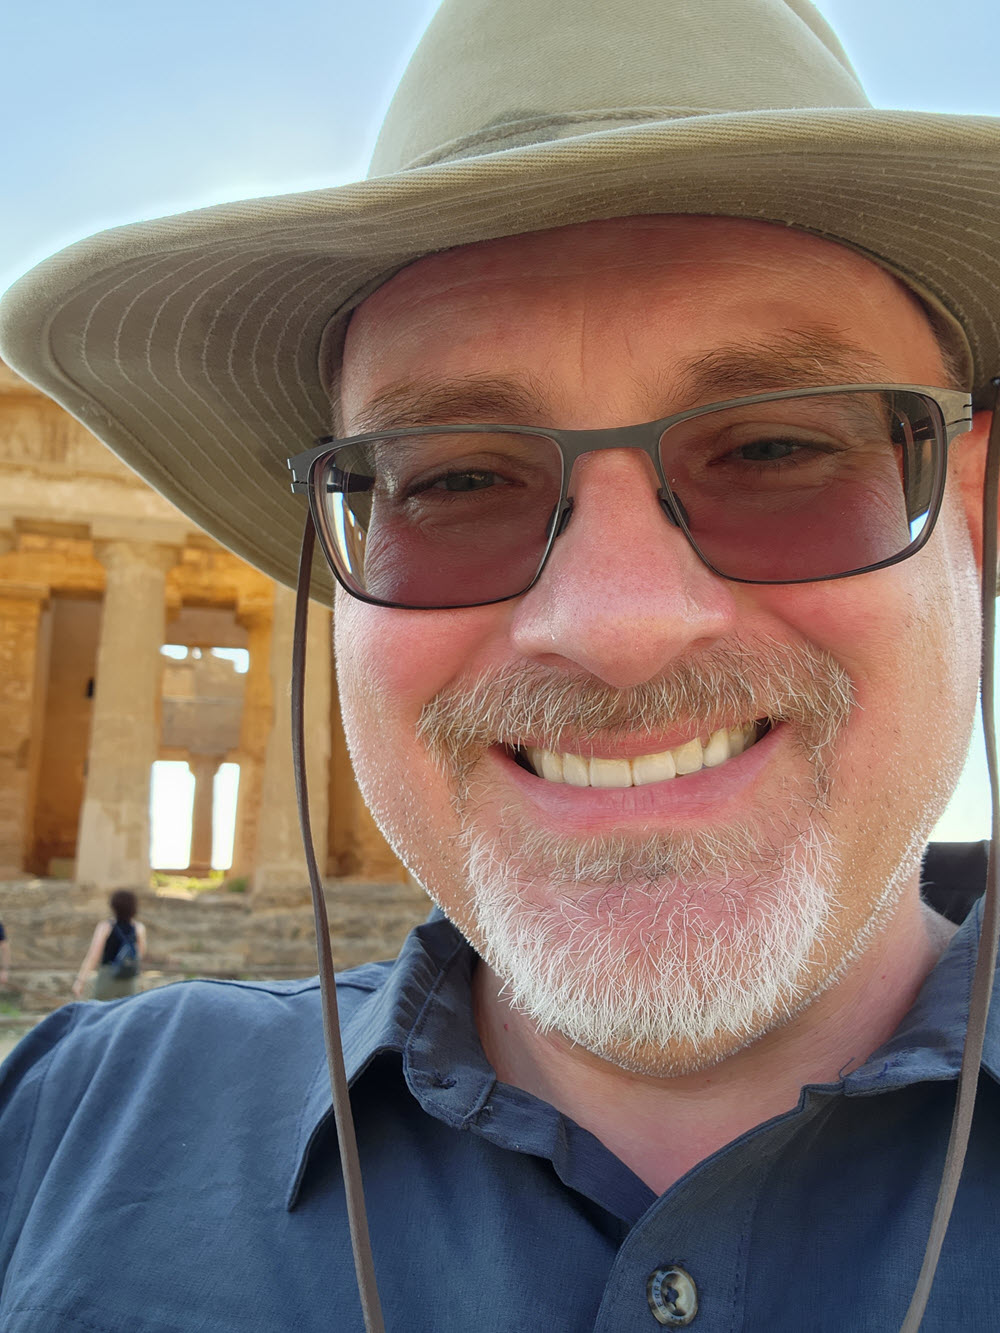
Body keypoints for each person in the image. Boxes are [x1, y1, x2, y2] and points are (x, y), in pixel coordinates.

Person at [1, 0, 999, 1329]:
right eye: (459, 477)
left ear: (977, 517)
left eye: (774, 450)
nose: (617, 622)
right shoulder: (63, 1135)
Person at [71, 890, 147, 1002]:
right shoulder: (139, 928)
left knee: (100, 1012)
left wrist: (80, 980)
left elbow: (93, 956)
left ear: (113, 906)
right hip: (129, 978)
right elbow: (140, 954)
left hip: (107, 976)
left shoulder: (105, 926)